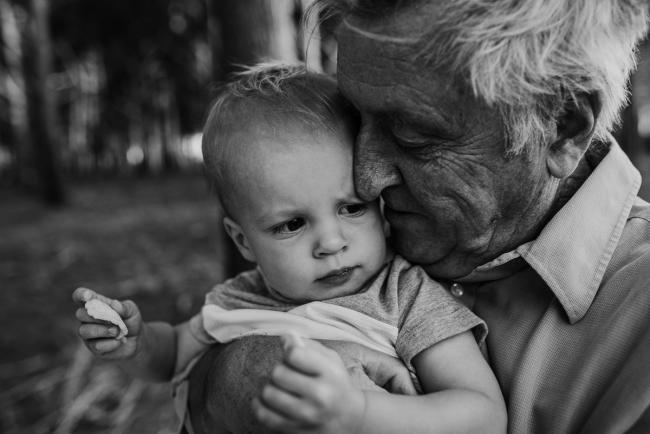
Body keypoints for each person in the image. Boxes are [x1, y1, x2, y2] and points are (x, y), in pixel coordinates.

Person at [187, 1, 650, 433]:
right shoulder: (359, 240)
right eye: (356, 123)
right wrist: (238, 372)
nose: (365, 181)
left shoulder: (637, 324)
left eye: (413, 137)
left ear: (563, 127)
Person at [73, 64, 506, 434]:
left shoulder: (405, 297)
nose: (332, 242)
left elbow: (484, 415)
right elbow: (172, 357)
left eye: (352, 207)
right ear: (242, 240)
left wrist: (361, 413)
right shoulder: (237, 299)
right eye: (293, 224)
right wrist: (138, 343)